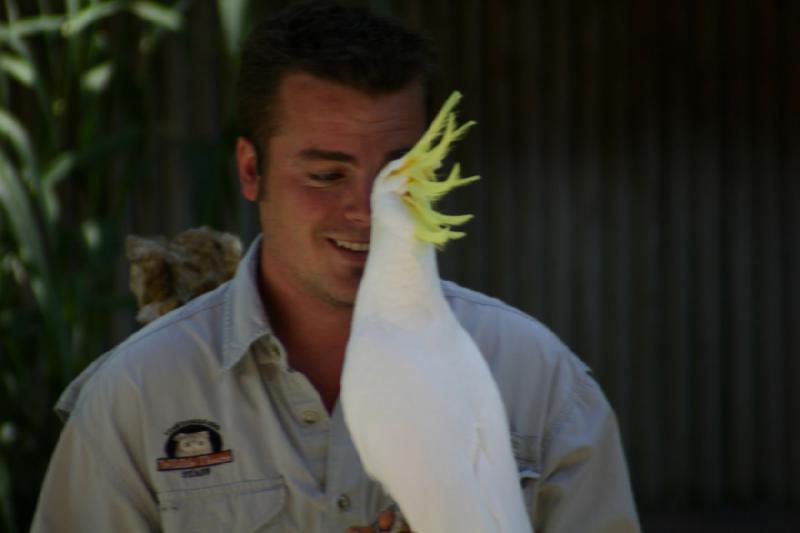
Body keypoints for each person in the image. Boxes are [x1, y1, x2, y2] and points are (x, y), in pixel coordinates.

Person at [31, 2, 639, 531]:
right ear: (251, 171)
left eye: (400, 178)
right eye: (326, 176)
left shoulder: (539, 380)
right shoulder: (136, 398)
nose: (366, 213)